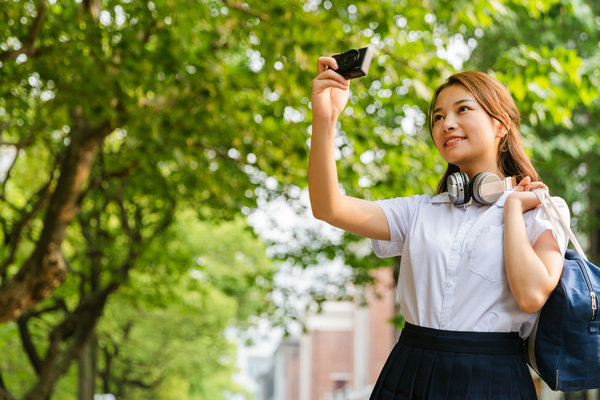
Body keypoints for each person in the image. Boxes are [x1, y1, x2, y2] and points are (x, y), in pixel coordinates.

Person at [309, 57, 570, 399]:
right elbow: (328, 207)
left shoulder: (542, 210)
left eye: (463, 110)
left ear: (500, 125)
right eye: (438, 117)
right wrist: (325, 119)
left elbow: (532, 294)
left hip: (494, 378)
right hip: (411, 372)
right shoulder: (419, 211)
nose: (447, 123)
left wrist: (512, 210)